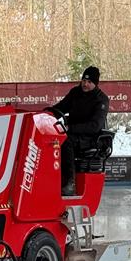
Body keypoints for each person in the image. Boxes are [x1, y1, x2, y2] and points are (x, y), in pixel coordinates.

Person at [50, 66, 109, 196]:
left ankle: (69, 183)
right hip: (72, 132)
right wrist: (48, 113)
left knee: (66, 141)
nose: (85, 84)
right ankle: (51, 180)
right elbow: (61, 107)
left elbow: (95, 126)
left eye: (89, 82)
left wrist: (72, 128)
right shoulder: (75, 93)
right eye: (84, 81)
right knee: (53, 139)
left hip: (90, 137)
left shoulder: (101, 100)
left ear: (95, 83)